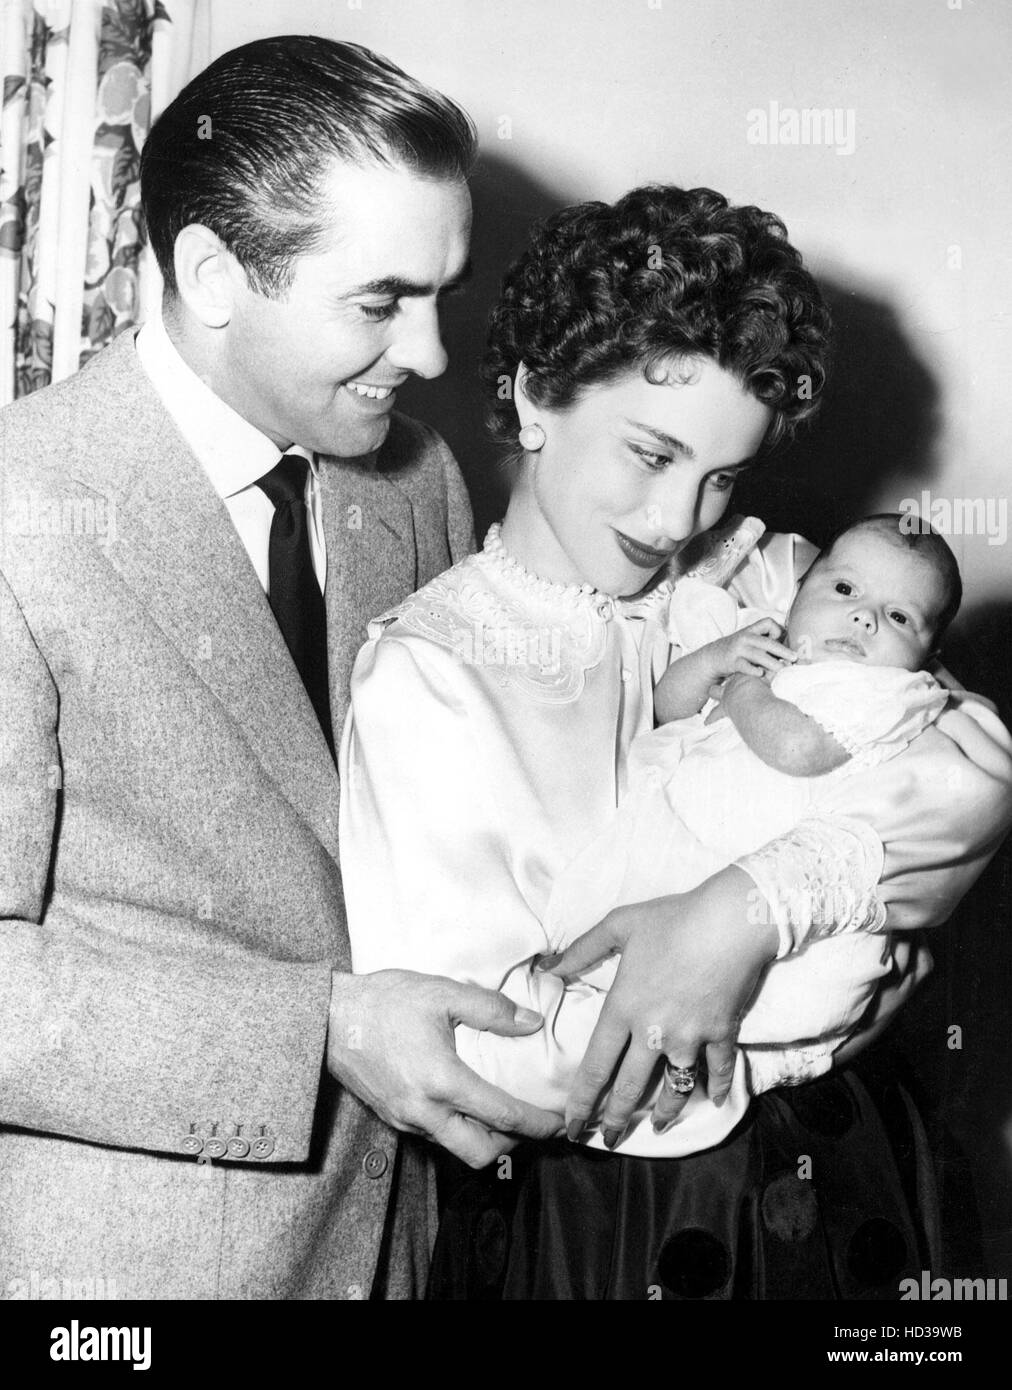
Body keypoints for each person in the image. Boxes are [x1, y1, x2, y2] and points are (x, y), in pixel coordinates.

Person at [339, 186, 1012, 1297]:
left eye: (721, 475)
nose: (677, 519)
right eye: (649, 455)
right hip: (611, 1220)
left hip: (852, 1182)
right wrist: (773, 1031)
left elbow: (973, 768)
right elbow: (478, 1044)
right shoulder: (435, 670)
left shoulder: (764, 573)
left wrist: (745, 911)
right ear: (533, 397)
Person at [0, 36, 562, 1303]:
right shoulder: (16, 512)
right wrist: (322, 1030)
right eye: (379, 301)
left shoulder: (416, 479)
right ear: (211, 275)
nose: (426, 353)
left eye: (441, 293)